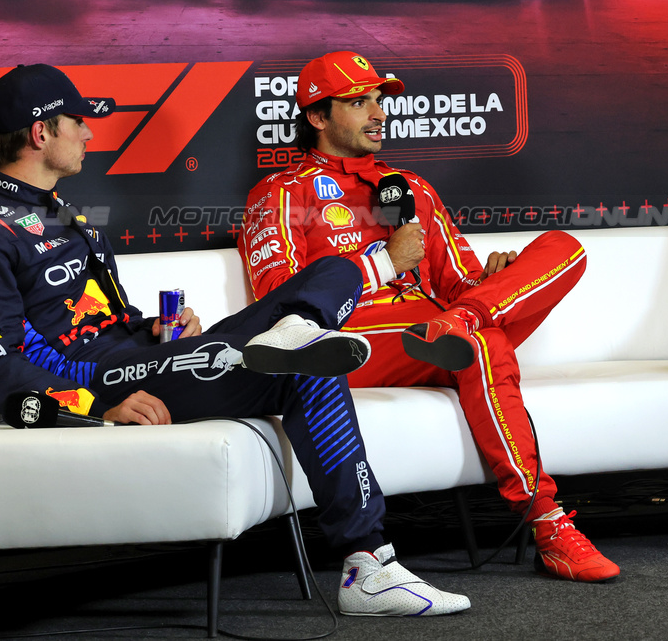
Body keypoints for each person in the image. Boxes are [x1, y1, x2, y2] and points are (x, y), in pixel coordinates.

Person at [0, 63, 470, 617]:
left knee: (319, 284)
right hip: (101, 381)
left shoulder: (68, 215)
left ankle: (299, 328)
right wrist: (97, 408)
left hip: (143, 358)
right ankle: (369, 563)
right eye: (78, 122)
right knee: (307, 367)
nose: (89, 133)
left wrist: (157, 329)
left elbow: (100, 319)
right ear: (41, 133)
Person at [242, 51, 620, 583]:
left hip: (440, 328)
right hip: (353, 345)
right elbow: (280, 306)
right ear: (318, 117)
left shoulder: (410, 189)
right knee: (481, 343)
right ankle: (548, 523)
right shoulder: (282, 193)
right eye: (358, 102)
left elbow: (456, 281)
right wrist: (382, 262)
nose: (378, 113)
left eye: (379, 101)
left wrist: (491, 283)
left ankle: (467, 321)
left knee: (563, 247)